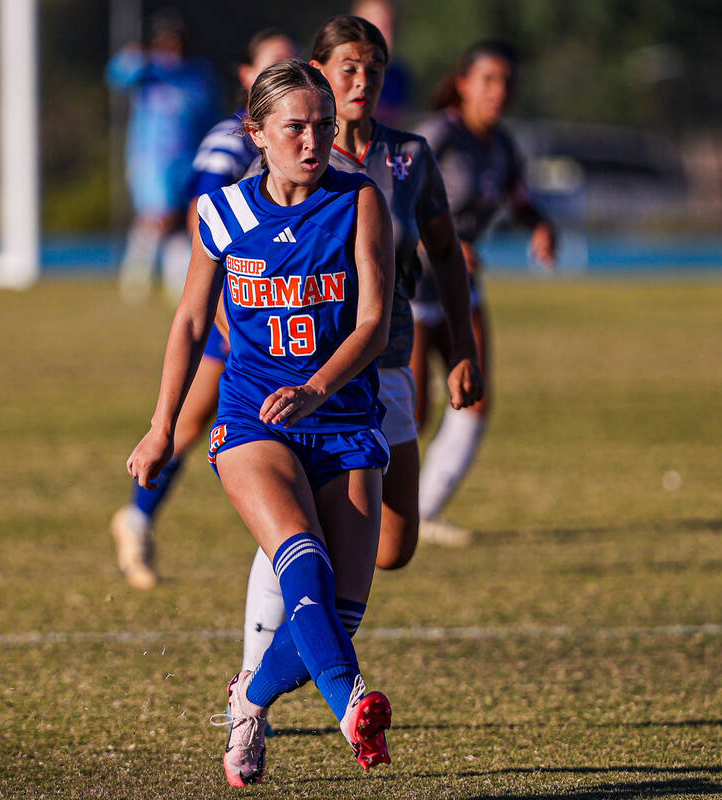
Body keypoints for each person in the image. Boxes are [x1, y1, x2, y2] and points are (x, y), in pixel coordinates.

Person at [126, 59, 395, 787]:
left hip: (342, 417)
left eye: (324, 127)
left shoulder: (360, 201)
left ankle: (247, 698)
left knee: (338, 612)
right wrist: (160, 427)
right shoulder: (223, 212)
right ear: (258, 133)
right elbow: (187, 321)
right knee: (299, 553)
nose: (314, 142)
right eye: (296, 128)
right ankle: (354, 709)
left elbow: (373, 322)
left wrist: (317, 387)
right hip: (253, 418)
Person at [230, 13, 482, 683]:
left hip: (384, 363)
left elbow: (446, 259)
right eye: (348, 67)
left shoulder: (407, 158)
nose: (362, 80)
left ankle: (302, 628)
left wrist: (463, 348)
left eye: (373, 68)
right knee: (295, 526)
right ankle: (254, 675)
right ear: (319, 73)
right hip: (298, 375)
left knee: (393, 548)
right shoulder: (293, 154)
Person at [111, 29, 297, 590]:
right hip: (242, 312)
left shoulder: (309, 134)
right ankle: (136, 519)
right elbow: (204, 216)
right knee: (187, 426)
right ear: (246, 78)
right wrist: (222, 310)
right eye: (270, 65)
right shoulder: (232, 139)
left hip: (294, 312)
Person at [410, 40, 557, 545]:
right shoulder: (437, 137)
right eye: (488, 79)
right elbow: (390, 200)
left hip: (459, 289)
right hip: (409, 288)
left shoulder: (501, 146)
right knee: (412, 413)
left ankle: (423, 511)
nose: (499, 91)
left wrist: (539, 225)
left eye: (507, 82)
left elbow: (521, 199)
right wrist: (441, 242)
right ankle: (383, 515)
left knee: (474, 396)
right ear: (462, 82)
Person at [106, 8, 221, 304]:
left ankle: (177, 284)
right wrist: (136, 55)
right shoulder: (149, 71)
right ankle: (135, 282)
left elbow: (210, 114)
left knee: (184, 220)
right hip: (152, 159)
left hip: (189, 158)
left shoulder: (198, 75)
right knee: (157, 218)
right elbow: (117, 74)